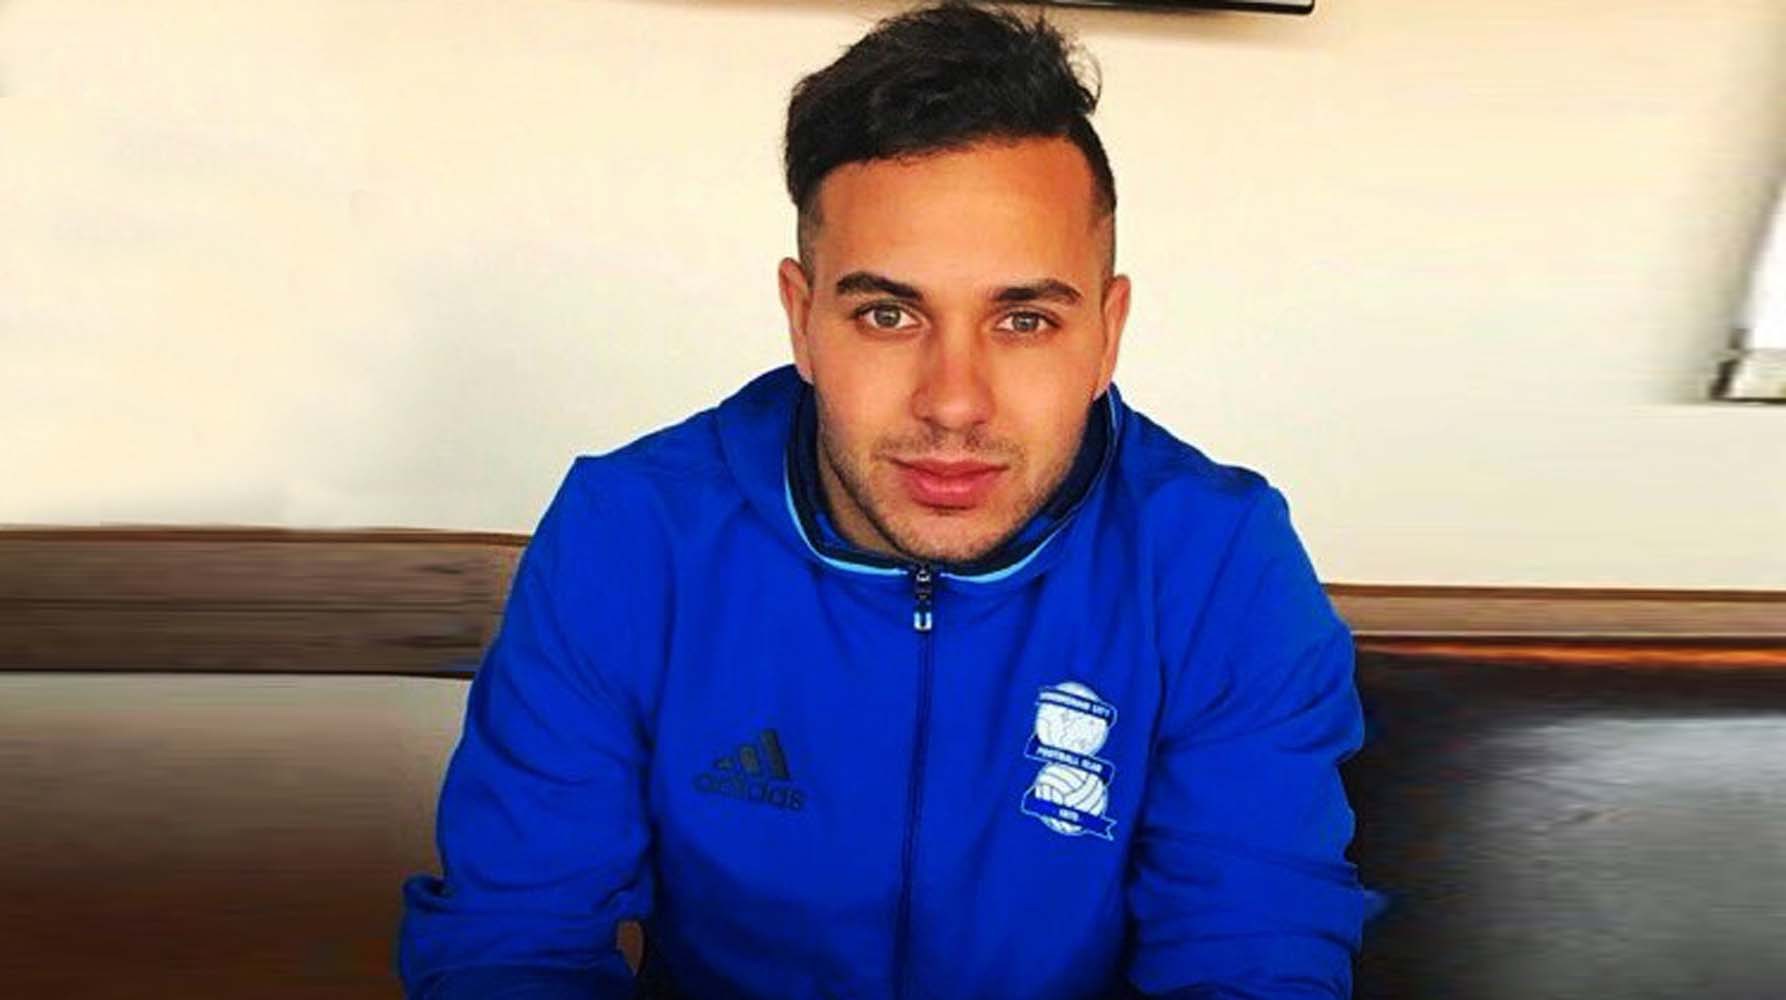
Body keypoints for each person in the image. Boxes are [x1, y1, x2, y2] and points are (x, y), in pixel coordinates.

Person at [397, 2, 1375, 997]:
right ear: (803, 318)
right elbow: (513, 947)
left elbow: (1252, 954)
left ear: (1106, 334)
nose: (953, 401)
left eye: (1024, 321)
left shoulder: (1218, 562)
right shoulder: (628, 536)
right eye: (887, 314)